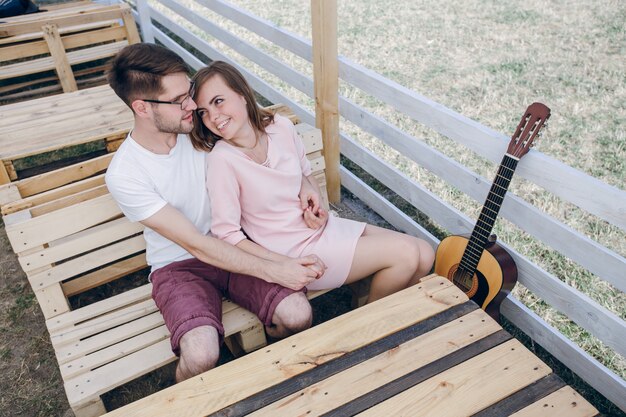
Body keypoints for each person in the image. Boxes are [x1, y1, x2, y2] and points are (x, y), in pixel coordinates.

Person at [105, 44, 326, 382]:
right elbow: (196, 244)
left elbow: (265, 134)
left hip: (237, 244)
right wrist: (277, 269)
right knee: (202, 353)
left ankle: (271, 376)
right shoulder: (126, 173)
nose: (194, 106)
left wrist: (306, 183)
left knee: (297, 314)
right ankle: (183, 402)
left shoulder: (200, 130)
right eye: (180, 100)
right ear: (142, 107)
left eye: (189, 93)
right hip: (179, 266)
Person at [190, 61, 435, 303]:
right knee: (406, 254)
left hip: (322, 228)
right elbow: (227, 234)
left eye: (218, 101)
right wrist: (280, 263)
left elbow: (306, 174)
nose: (213, 116)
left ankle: (383, 310)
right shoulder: (223, 160)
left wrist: (311, 194)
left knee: (424, 251)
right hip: (294, 254)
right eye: (203, 112)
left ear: (242, 94)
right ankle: (371, 328)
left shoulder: (280, 127)